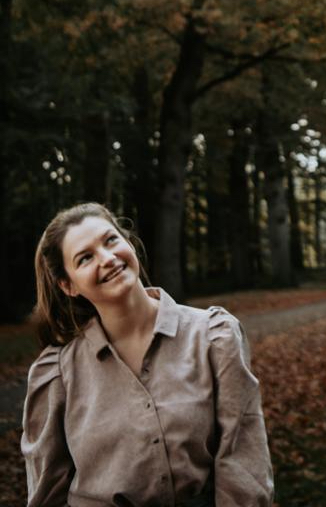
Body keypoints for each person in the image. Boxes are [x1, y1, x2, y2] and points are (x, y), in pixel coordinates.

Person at [21, 202, 274, 507]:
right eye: (85, 258)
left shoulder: (213, 336)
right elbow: (47, 492)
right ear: (68, 285)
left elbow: (242, 459)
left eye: (111, 240)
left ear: (129, 243)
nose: (108, 258)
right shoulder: (57, 372)